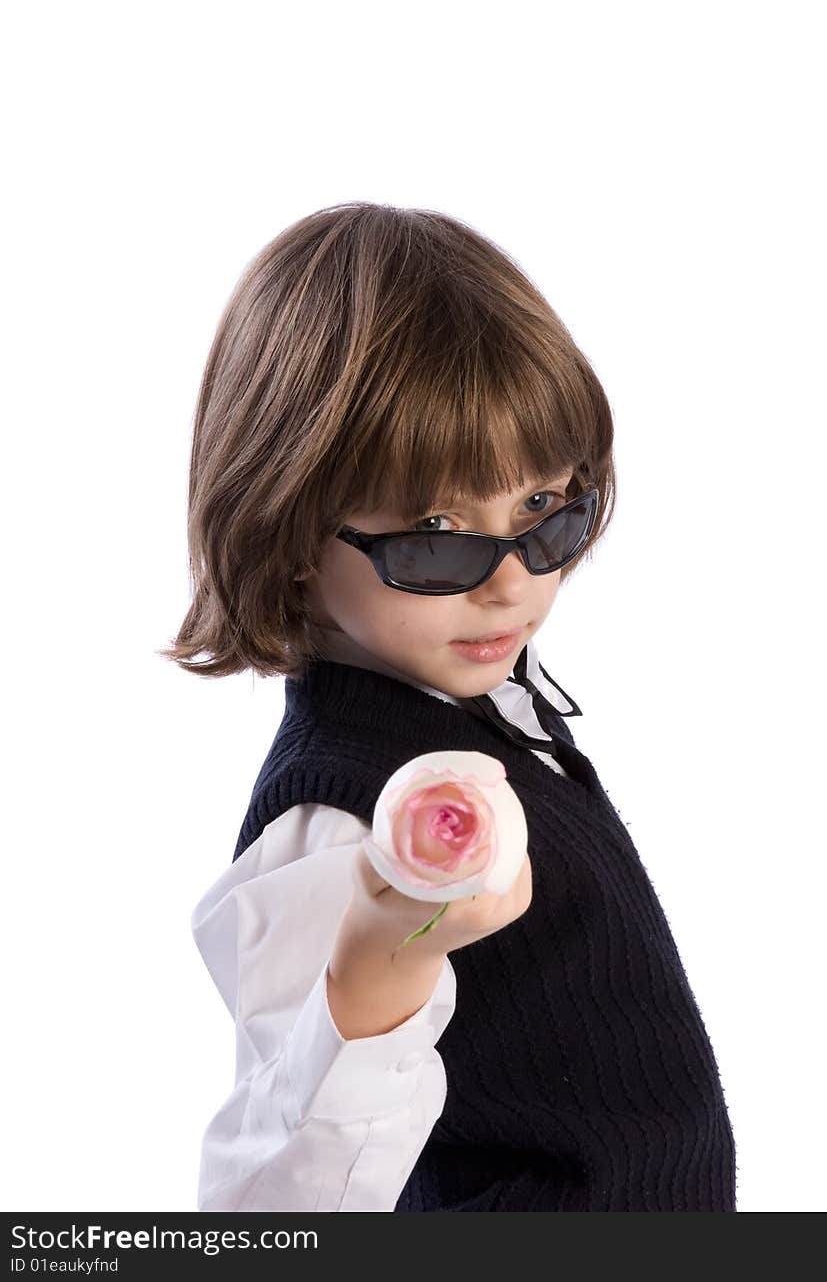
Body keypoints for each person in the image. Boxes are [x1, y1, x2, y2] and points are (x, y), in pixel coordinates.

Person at [163, 202, 737, 1211]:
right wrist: (372, 978)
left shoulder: (476, 690)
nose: (511, 581)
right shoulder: (337, 817)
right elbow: (277, 1201)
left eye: (544, 511)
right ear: (291, 531)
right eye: (436, 531)